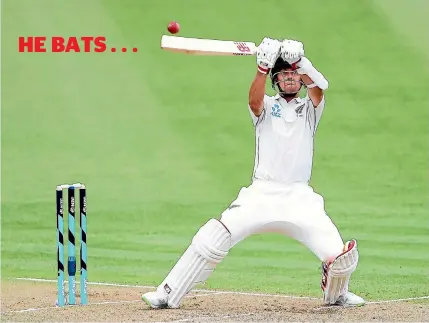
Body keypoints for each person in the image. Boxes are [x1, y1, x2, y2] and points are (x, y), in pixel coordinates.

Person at [142, 37, 365, 309]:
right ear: (276, 81)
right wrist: (261, 69)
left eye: (294, 75)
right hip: (261, 193)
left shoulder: (310, 109)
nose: (291, 80)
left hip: (300, 197)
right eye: (285, 75)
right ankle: (167, 292)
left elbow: (319, 90)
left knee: (339, 256)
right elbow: (254, 101)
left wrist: (301, 63)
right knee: (212, 238)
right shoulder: (266, 106)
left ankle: (337, 295)